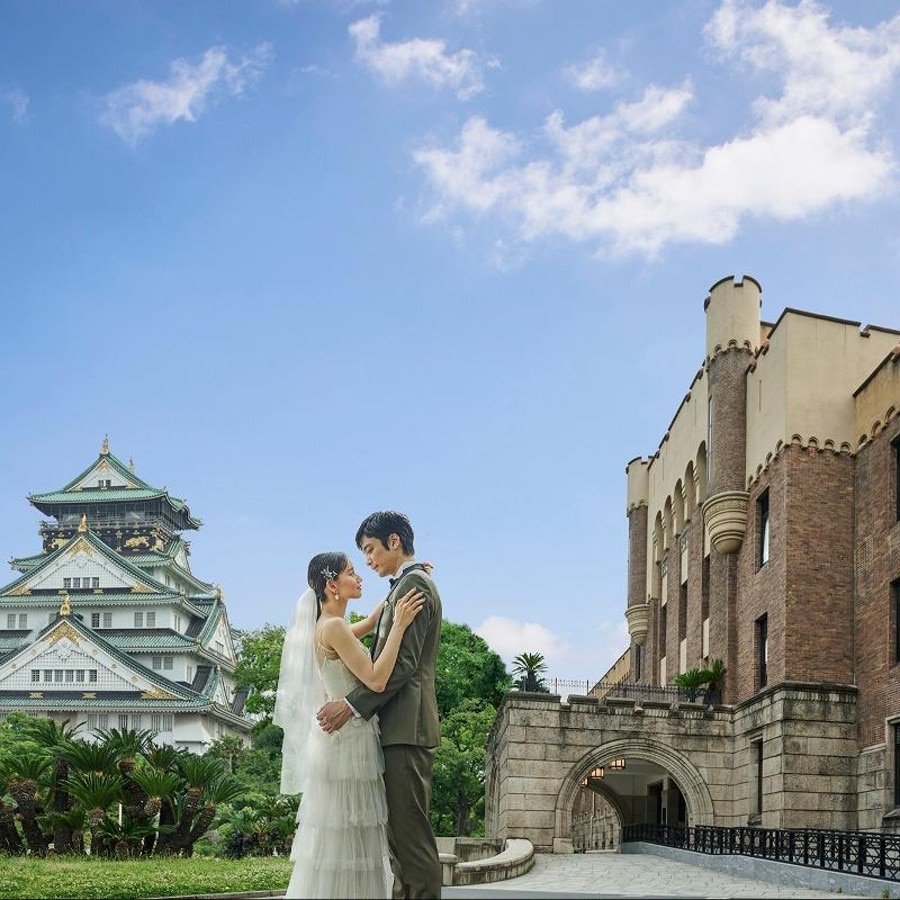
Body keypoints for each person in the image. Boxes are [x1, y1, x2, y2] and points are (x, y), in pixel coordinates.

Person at [274, 551, 425, 899]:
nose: (359, 579)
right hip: (350, 744)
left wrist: (407, 577)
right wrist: (400, 626)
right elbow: (376, 679)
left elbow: (369, 623)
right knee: (349, 840)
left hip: (340, 741)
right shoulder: (334, 627)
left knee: (339, 844)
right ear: (332, 585)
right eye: (352, 573)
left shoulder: (328, 625)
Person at [316, 511, 443, 900]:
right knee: (399, 842)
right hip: (397, 728)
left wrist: (351, 705)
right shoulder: (405, 584)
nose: (368, 561)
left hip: (407, 728)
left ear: (394, 541)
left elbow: (403, 666)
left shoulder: (413, 584)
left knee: (410, 839)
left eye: (370, 550)